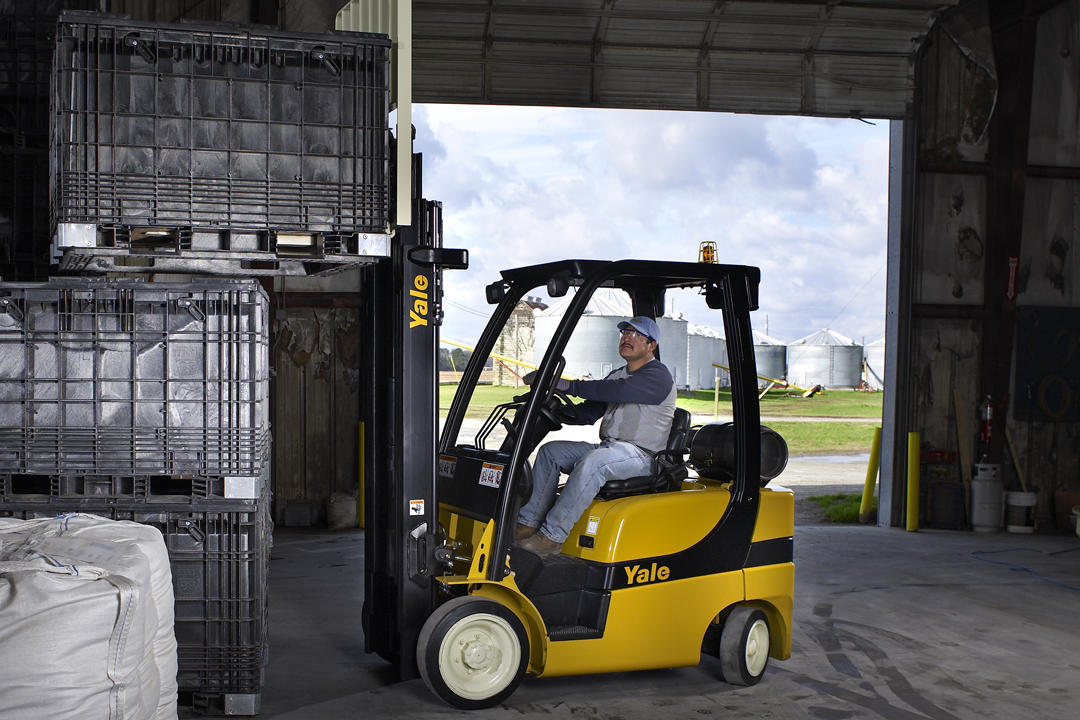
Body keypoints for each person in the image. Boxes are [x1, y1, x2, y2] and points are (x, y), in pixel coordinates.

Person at [515, 316, 677, 555]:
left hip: (642, 456)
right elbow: (590, 412)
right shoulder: (616, 375)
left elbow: (616, 390)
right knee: (551, 452)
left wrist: (566, 385)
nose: (626, 338)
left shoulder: (657, 375)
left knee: (594, 463)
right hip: (611, 449)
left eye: (635, 335)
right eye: (624, 333)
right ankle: (528, 523)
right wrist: (557, 410)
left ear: (651, 345)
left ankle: (552, 536)